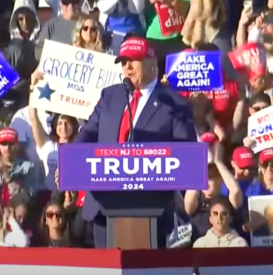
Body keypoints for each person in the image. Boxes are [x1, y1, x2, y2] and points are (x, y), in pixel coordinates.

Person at [75, 37, 197, 248]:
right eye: (123, 62)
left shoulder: (175, 103)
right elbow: (89, 133)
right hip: (103, 206)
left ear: (152, 63)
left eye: (133, 61)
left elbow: (186, 153)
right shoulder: (110, 95)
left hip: (150, 208)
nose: (127, 67)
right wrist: (71, 160)